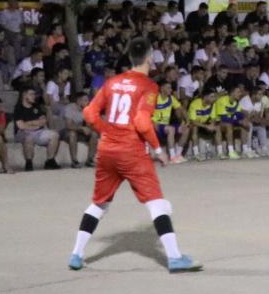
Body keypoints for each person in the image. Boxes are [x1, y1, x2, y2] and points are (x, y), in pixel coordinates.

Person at [68, 38, 199, 273]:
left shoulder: (112, 82)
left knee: (99, 203)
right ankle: (175, 257)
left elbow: (89, 112)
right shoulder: (148, 86)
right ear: (149, 57)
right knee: (156, 202)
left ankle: (76, 254)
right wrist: (159, 150)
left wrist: (106, 130)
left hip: (107, 150)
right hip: (131, 152)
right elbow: (141, 122)